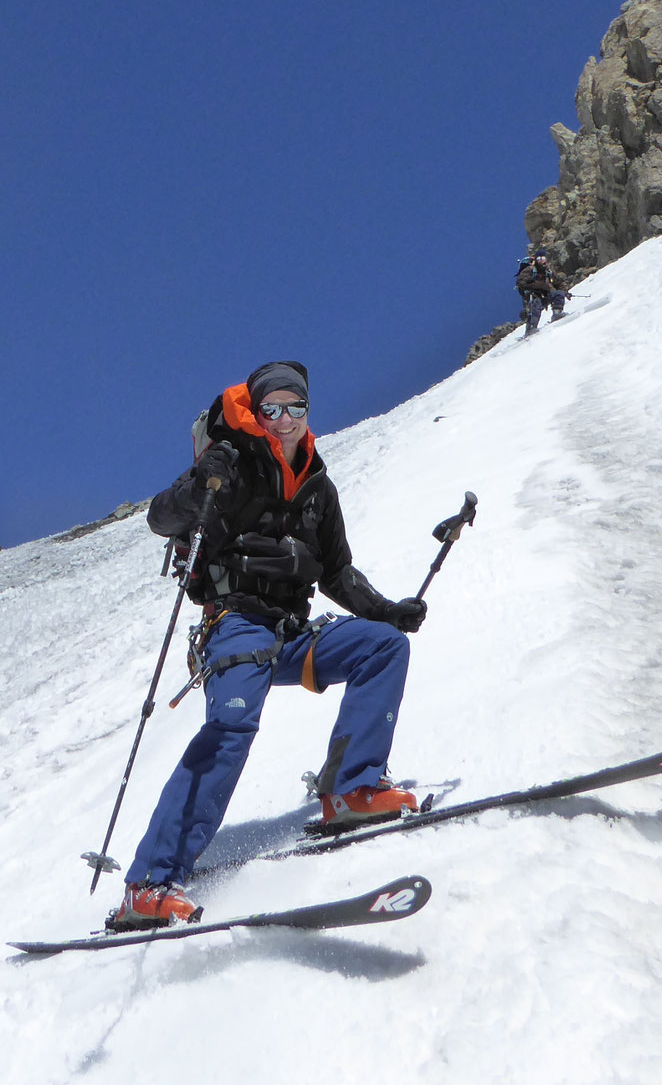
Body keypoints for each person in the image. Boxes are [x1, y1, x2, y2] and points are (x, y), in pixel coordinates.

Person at [112, 361, 431, 931]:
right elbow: (161, 518)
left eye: (296, 408)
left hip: (290, 631)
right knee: (232, 727)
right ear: (256, 413)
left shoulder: (317, 487)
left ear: (309, 414)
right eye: (272, 409)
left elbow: (337, 574)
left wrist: (388, 613)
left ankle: (352, 791)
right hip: (233, 625)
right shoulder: (229, 466)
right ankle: (148, 886)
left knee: (382, 647)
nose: (285, 419)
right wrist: (200, 478)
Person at [516, 248, 568, 335]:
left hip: (546, 295)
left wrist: (565, 292)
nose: (541, 261)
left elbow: (558, 282)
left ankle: (557, 313)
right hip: (534, 296)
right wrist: (534, 285)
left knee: (558, 294)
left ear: (546, 259)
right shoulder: (530, 270)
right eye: (539, 259)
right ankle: (531, 328)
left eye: (543, 259)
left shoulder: (548, 271)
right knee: (535, 307)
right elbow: (520, 282)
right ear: (535, 259)